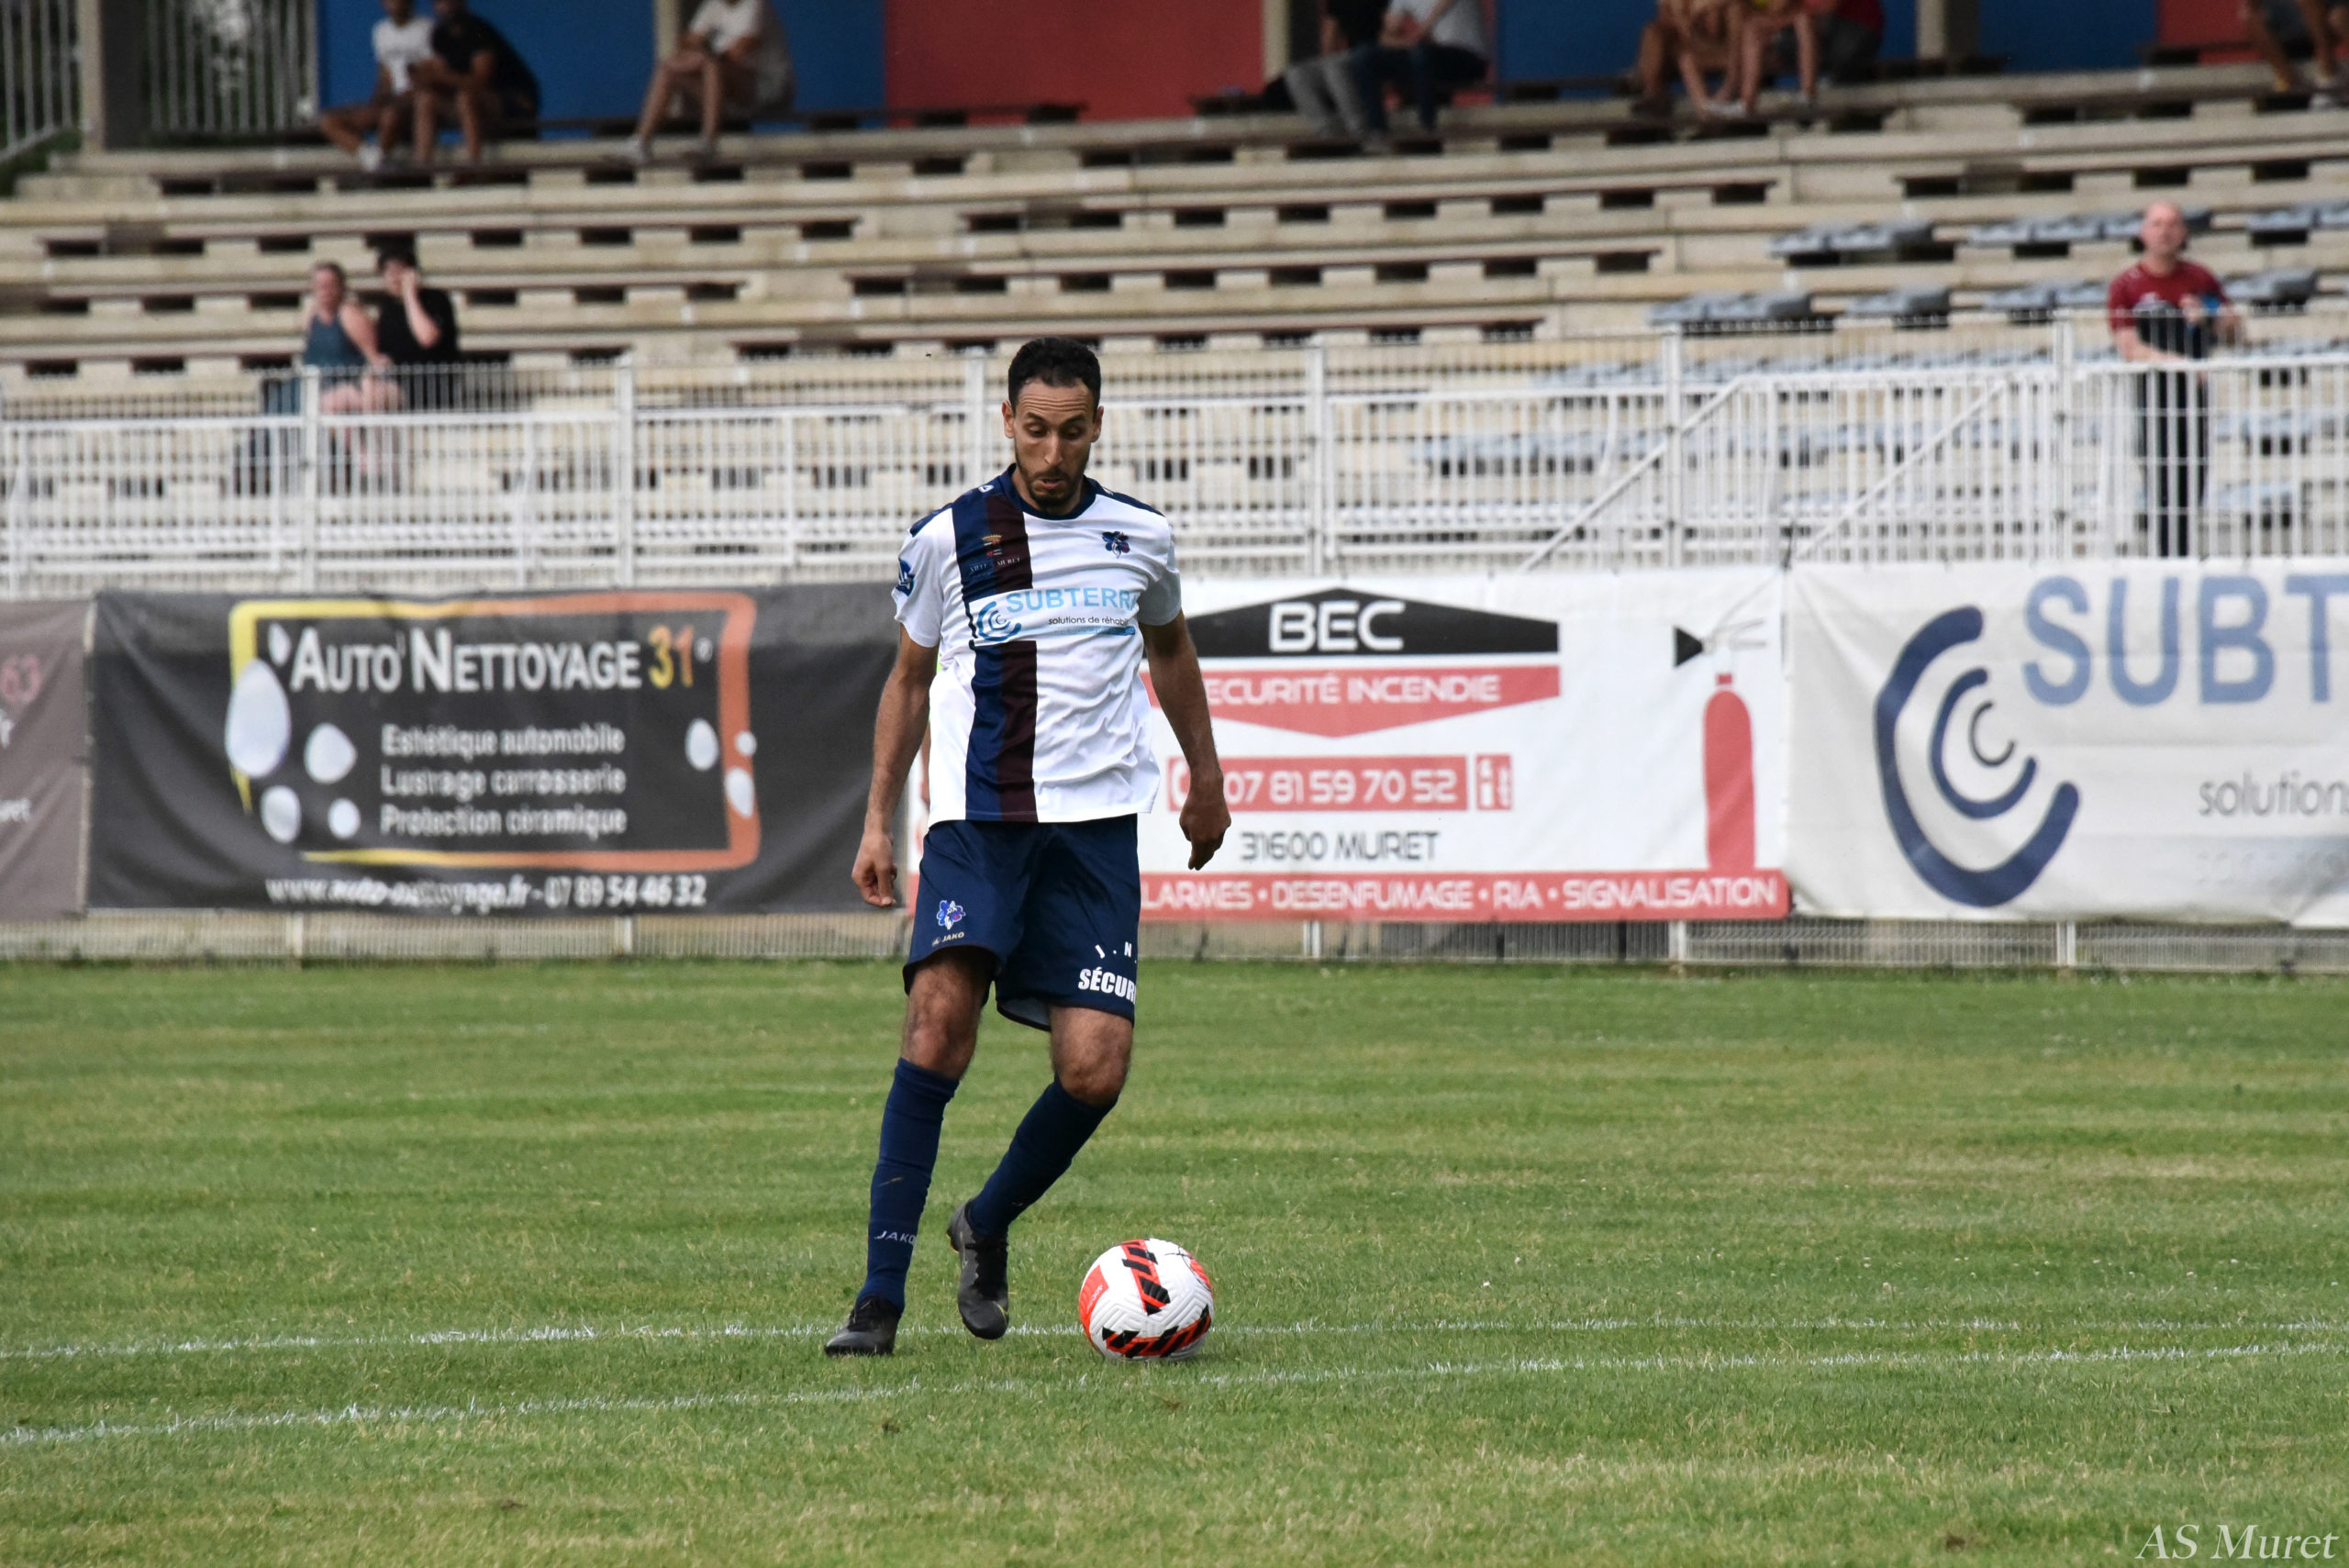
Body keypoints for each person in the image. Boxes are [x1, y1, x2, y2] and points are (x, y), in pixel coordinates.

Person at [823, 338, 1231, 1358]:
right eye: (1036, 430)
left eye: (1073, 432)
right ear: (1007, 419)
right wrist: (877, 819)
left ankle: (986, 1219)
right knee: (935, 1026)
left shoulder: (1141, 537)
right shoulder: (948, 538)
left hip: (1093, 836)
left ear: (1098, 426)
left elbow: (1172, 651)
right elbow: (909, 680)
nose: (1052, 454)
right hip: (978, 823)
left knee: (1095, 1069)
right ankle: (877, 1299)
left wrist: (1207, 777)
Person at [2109, 201, 2242, 559]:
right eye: (2156, 224)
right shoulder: (2127, 285)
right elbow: (2129, 348)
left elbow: (2234, 331)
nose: (2164, 232)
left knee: (2192, 479)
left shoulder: (2200, 278)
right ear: (2143, 232)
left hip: (2193, 399)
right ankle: (2165, 558)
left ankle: (2182, 557)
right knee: (2159, 482)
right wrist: (2179, 363)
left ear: (2183, 232)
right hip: (2152, 400)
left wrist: (2209, 315)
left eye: (2171, 224)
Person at [623, 0, 794, 164]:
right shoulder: (713, 5)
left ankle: (708, 142)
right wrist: (697, 55)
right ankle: (640, 143)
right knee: (668, 69)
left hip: (769, 90)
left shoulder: (755, 4)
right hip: (730, 95)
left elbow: (739, 51)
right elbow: (687, 42)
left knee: (711, 65)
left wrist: (701, 57)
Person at [408, 0, 540, 165]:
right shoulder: (439, 35)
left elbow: (481, 83)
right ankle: (422, 166)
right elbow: (441, 78)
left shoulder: (478, 31)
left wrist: (442, 76)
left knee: (466, 98)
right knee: (426, 100)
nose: (444, 5)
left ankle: (474, 164)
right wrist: (424, 78)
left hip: (513, 100)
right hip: (471, 104)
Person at [317, 0, 434, 174]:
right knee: (329, 121)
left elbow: (429, 74)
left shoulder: (427, 28)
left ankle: (380, 167)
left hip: (411, 101)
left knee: (390, 116)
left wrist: (403, 97)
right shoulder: (381, 31)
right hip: (387, 100)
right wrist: (372, 104)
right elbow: (384, 74)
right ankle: (373, 159)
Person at [1734, 0, 1881, 116]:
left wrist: (1781, 22)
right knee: (1755, 29)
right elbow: (1777, 10)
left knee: (1802, 20)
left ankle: (1807, 95)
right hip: (1817, 37)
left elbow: (1828, 8)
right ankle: (1745, 102)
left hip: (1854, 32)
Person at [1365, 0, 1490, 135]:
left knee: (1421, 55)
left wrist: (1424, 29)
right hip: (1429, 58)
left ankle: (1427, 127)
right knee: (1365, 57)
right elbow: (1386, 37)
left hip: (1468, 56)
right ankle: (1377, 131)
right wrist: (1409, 42)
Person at [301, 261, 401, 414]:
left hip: (349, 385)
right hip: (317, 386)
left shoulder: (349, 315)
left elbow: (374, 358)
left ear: (341, 287)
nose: (325, 291)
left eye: (331, 285)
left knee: (336, 403)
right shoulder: (311, 316)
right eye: (320, 285)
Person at [1286, 0, 1389, 141]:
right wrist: (1325, 64)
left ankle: (1359, 130)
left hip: (1375, 52)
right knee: (1296, 73)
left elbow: (1390, 31)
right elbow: (1330, 37)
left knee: (1335, 66)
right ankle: (1326, 131)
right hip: (1349, 56)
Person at [373, 248, 461, 405]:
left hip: (431, 384)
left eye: (398, 271)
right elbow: (385, 353)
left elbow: (427, 338)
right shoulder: (387, 309)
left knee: (378, 398)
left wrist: (410, 295)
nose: (394, 278)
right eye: (388, 272)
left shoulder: (435, 300)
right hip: (398, 381)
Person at [2243, 0, 2349, 100]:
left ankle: (2328, 73)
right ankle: (2288, 81)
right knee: (2249, 14)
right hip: (2286, 21)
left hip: (2324, 13)